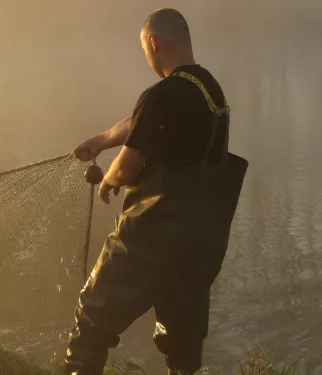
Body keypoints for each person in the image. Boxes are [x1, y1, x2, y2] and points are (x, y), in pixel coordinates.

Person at [65, 8, 248, 375]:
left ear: (153, 43)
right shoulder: (210, 91)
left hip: (152, 239)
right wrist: (101, 140)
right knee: (180, 338)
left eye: (145, 50)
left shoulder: (162, 94)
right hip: (201, 246)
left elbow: (128, 166)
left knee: (92, 317)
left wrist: (108, 180)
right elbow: (143, 122)